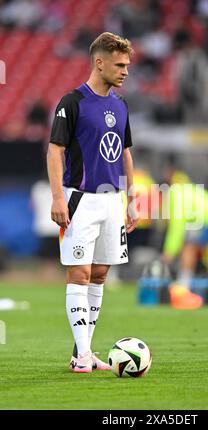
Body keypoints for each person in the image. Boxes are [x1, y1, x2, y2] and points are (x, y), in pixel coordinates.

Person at [47, 32, 139, 373]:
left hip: (112, 201)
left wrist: (130, 198)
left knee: (100, 274)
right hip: (79, 200)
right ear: (99, 62)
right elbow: (55, 151)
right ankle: (84, 356)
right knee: (80, 273)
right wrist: (57, 196)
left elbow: (125, 153)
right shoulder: (72, 102)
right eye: (120, 64)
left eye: (127, 65)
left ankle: (82, 351)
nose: (126, 71)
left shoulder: (121, 105)